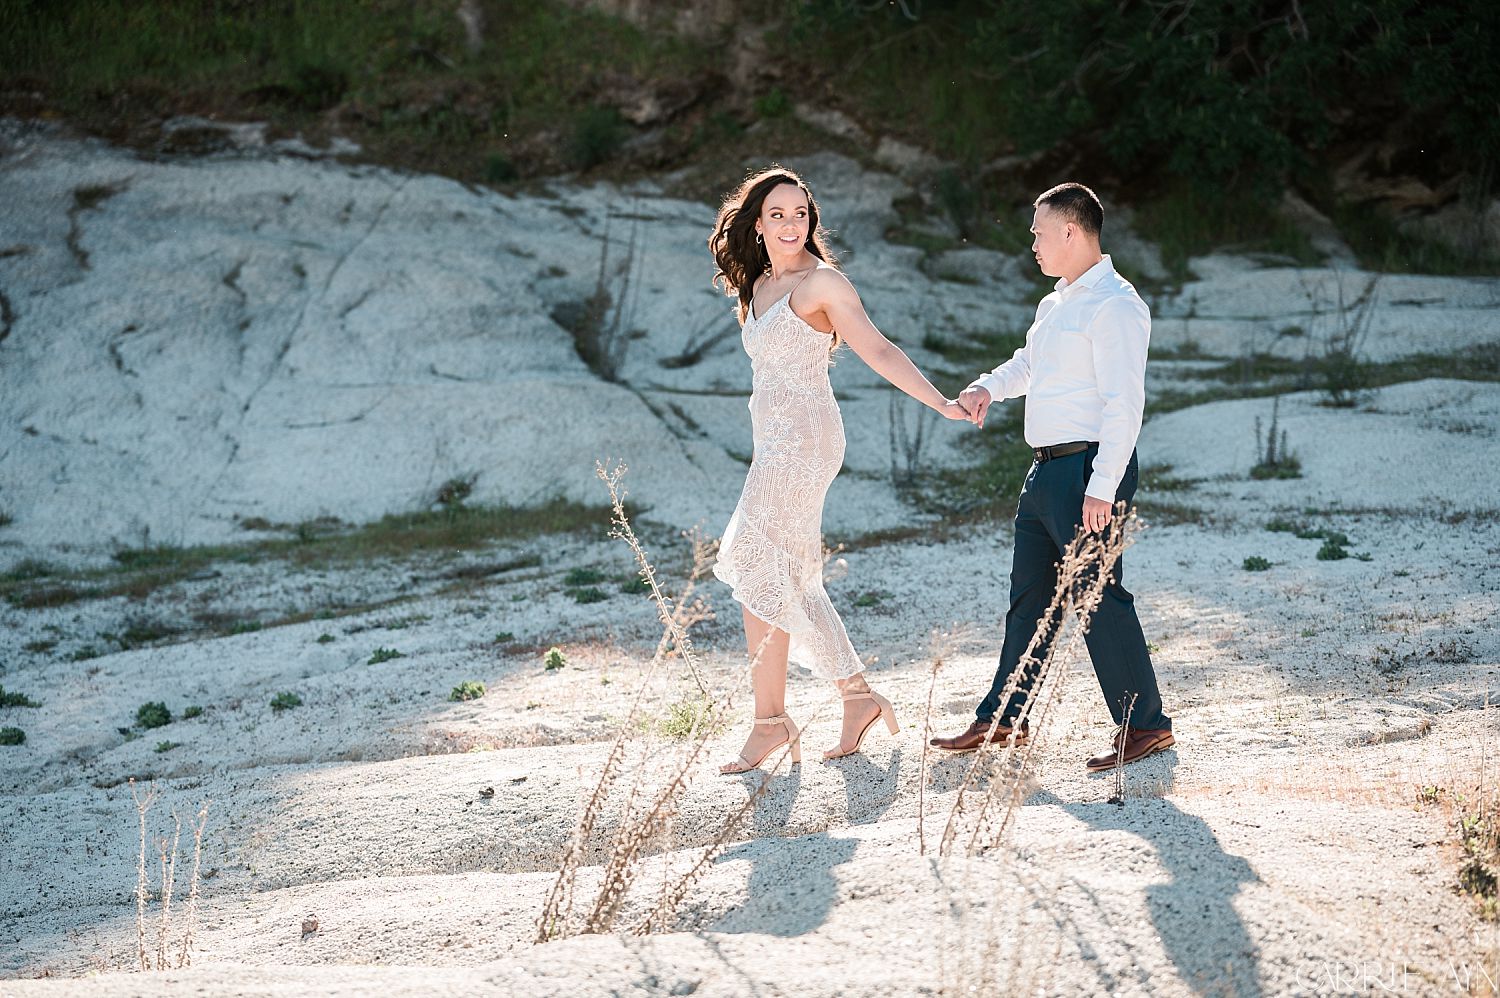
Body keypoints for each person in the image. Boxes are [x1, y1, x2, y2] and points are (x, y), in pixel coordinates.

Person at [708, 166, 970, 774]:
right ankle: (855, 700)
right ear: (757, 223)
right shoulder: (758, 284)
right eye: (777, 214)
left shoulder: (822, 283)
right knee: (785, 573)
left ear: (810, 220)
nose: (791, 224)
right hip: (773, 442)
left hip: (804, 442)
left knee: (755, 559)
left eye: (800, 214)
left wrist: (940, 403)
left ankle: (772, 722)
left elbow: (877, 348)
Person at [929, 182, 1175, 771]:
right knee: (1029, 601)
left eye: (1039, 232)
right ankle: (1003, 719)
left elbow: (1125, 404)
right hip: (1043, 472)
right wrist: (988, 385)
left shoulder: (1116, 304)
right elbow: (1028, 366)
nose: (1032, 244)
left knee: (1096, 597)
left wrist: (1104, 485)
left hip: (1088, 471)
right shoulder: (1057, 303)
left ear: (1071, 231)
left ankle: (1145, 725)